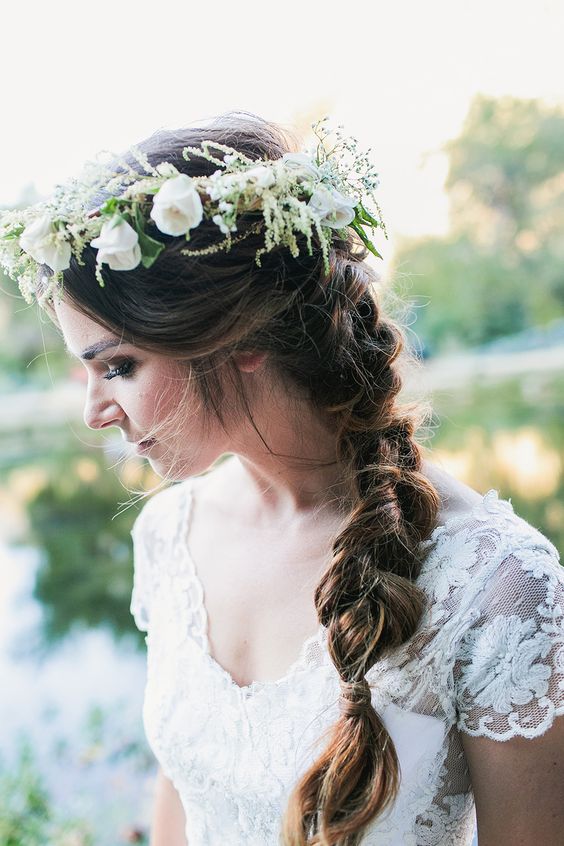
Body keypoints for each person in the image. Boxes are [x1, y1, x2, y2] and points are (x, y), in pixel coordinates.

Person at [1, 111, 563, 846]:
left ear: (237, 336)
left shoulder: (497, 585)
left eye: (119, 366)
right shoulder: (168, 537)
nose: (94, 412)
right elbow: (183, 803)